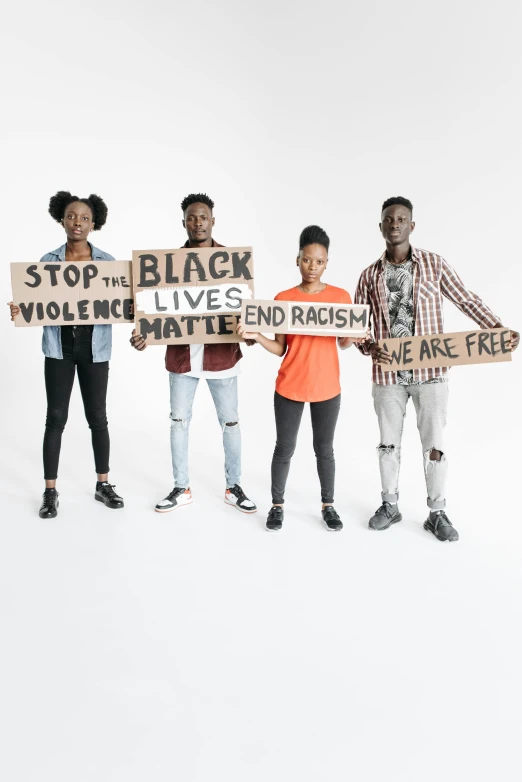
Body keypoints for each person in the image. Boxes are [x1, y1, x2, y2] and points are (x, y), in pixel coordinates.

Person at [355, 196, 519, 542]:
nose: (395, 224)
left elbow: (465, 298)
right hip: (388, 377)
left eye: (402, 219)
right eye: (389, 219)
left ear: (411, 226)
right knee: (387, 444)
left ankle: (437, 512)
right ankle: (390, 505)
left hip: (431, 374)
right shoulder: (369, 276)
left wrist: (496, 329)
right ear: (381, 226)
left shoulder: (434, 265)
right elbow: (357, 324)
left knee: (435, 445)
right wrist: (369, 346)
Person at [130, 193, 257, 514]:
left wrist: (252, 332)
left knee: (230, 423)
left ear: (213, 221)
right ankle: (180, 486)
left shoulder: (233, 262)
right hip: (182, 358)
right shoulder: (166, 265)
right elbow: (153, 309)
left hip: (223, 358)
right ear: (184, 222)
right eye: (191, 217)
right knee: (178, 422)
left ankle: (234, 485)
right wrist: (144, 335)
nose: (198, 222)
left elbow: (244, 308)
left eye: (203, 217)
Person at [8, 191, 124, 518]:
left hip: (95, 347)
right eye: (72, 216)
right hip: (60, 348)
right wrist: (23, 309)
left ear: (94, 223)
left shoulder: (107, 263)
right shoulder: (49, 262)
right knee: (55, 418)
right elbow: (37, 305)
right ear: (62, 219)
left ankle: (103, 484)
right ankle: (49, 491)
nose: (78, 222)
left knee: (97, 417)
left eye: (85, 218)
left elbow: (120, 303)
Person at [238, 225, 357, 532]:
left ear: (327, 262)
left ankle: (328, 506)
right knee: (284, 447)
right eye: (307, 260)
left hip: (327, 387)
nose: (312, 267)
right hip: (290, 384)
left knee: (325, 449)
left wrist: (354, 337)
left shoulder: (341, 297)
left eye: (319, 261)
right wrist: (256, 336)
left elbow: (343, 342)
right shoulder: (284, 298)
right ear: (297, 259)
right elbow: (280, 348)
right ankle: (277, 506)